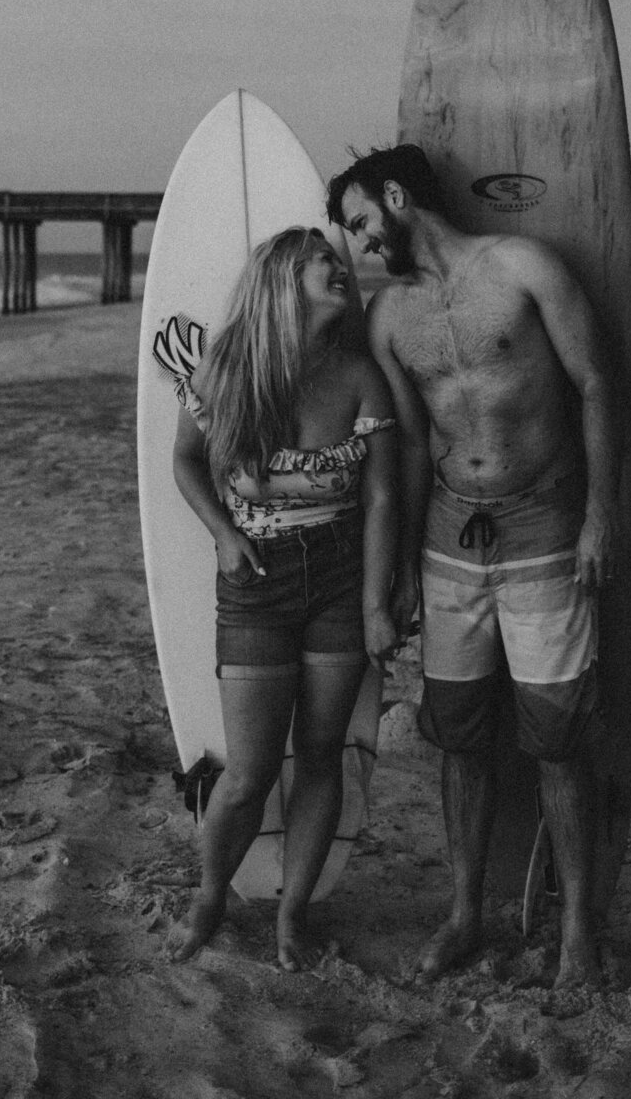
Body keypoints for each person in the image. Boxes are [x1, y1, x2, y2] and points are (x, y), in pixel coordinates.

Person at [326, 146, 618, 988]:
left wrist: (601, 517)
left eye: (359, 223)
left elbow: (597, 384)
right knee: (458, 736)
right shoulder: (387, 319)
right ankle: (463, 915)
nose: (359, 244)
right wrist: (408, 566)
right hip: (450, 540)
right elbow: (413, 443)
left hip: (545, 532)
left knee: (558, 738)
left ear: (394, 196)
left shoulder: (523, 267)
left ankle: (575, 935)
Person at [165, 225, 399, 971]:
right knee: (251, 770)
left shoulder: (359, 375)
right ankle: (208, 896)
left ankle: (293, 914)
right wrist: (223, 537)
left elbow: (386, 493)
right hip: (255, 584)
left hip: (338, 576)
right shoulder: (227, 366)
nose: (339, 267)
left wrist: (375, 604)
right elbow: (185, 458)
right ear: (280, 283)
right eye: (320, 262)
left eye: (338, 258)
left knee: (324, 754)